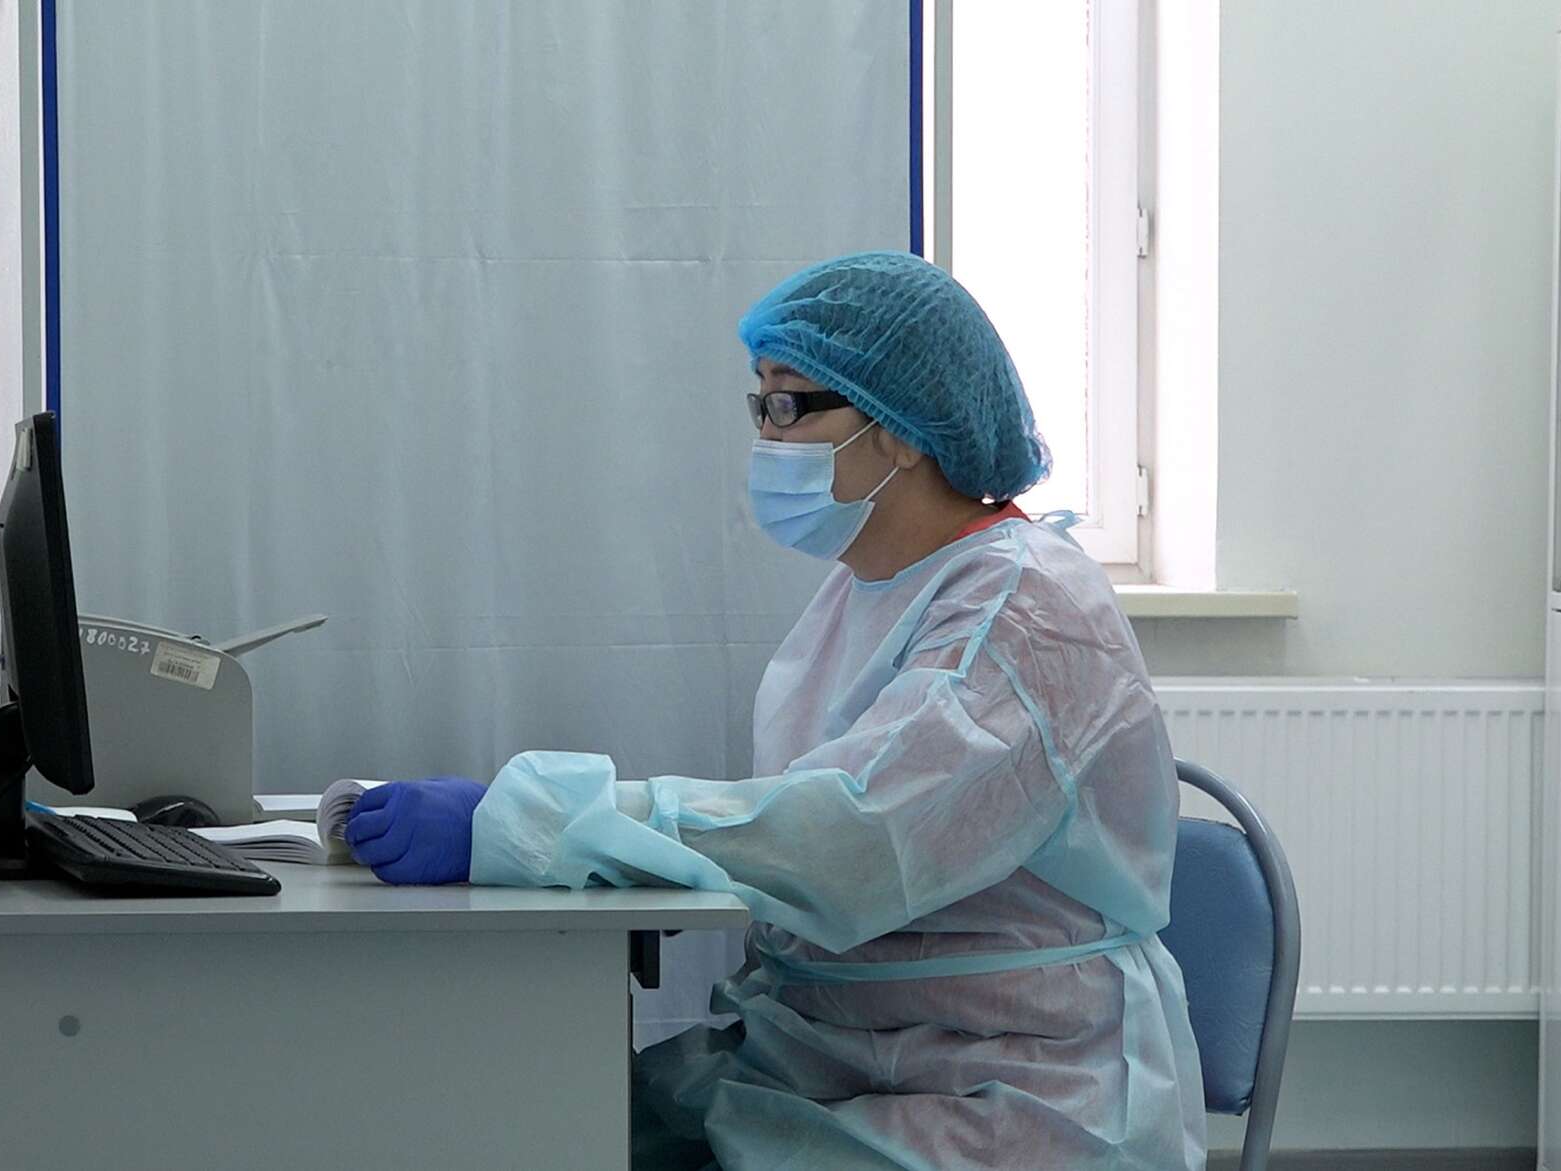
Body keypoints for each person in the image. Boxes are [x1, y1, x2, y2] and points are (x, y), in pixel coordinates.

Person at [345, 251, 1207, 1169]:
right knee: (531, 1120)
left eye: (789, 406)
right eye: (757, 404)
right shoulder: (872, 585)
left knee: (556, 1134)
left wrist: (537, 820)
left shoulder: (1024, 613)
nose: (766, 436)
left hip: (1009, 1086)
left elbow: (849, 839)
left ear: (901, 430)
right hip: (843, 1050)